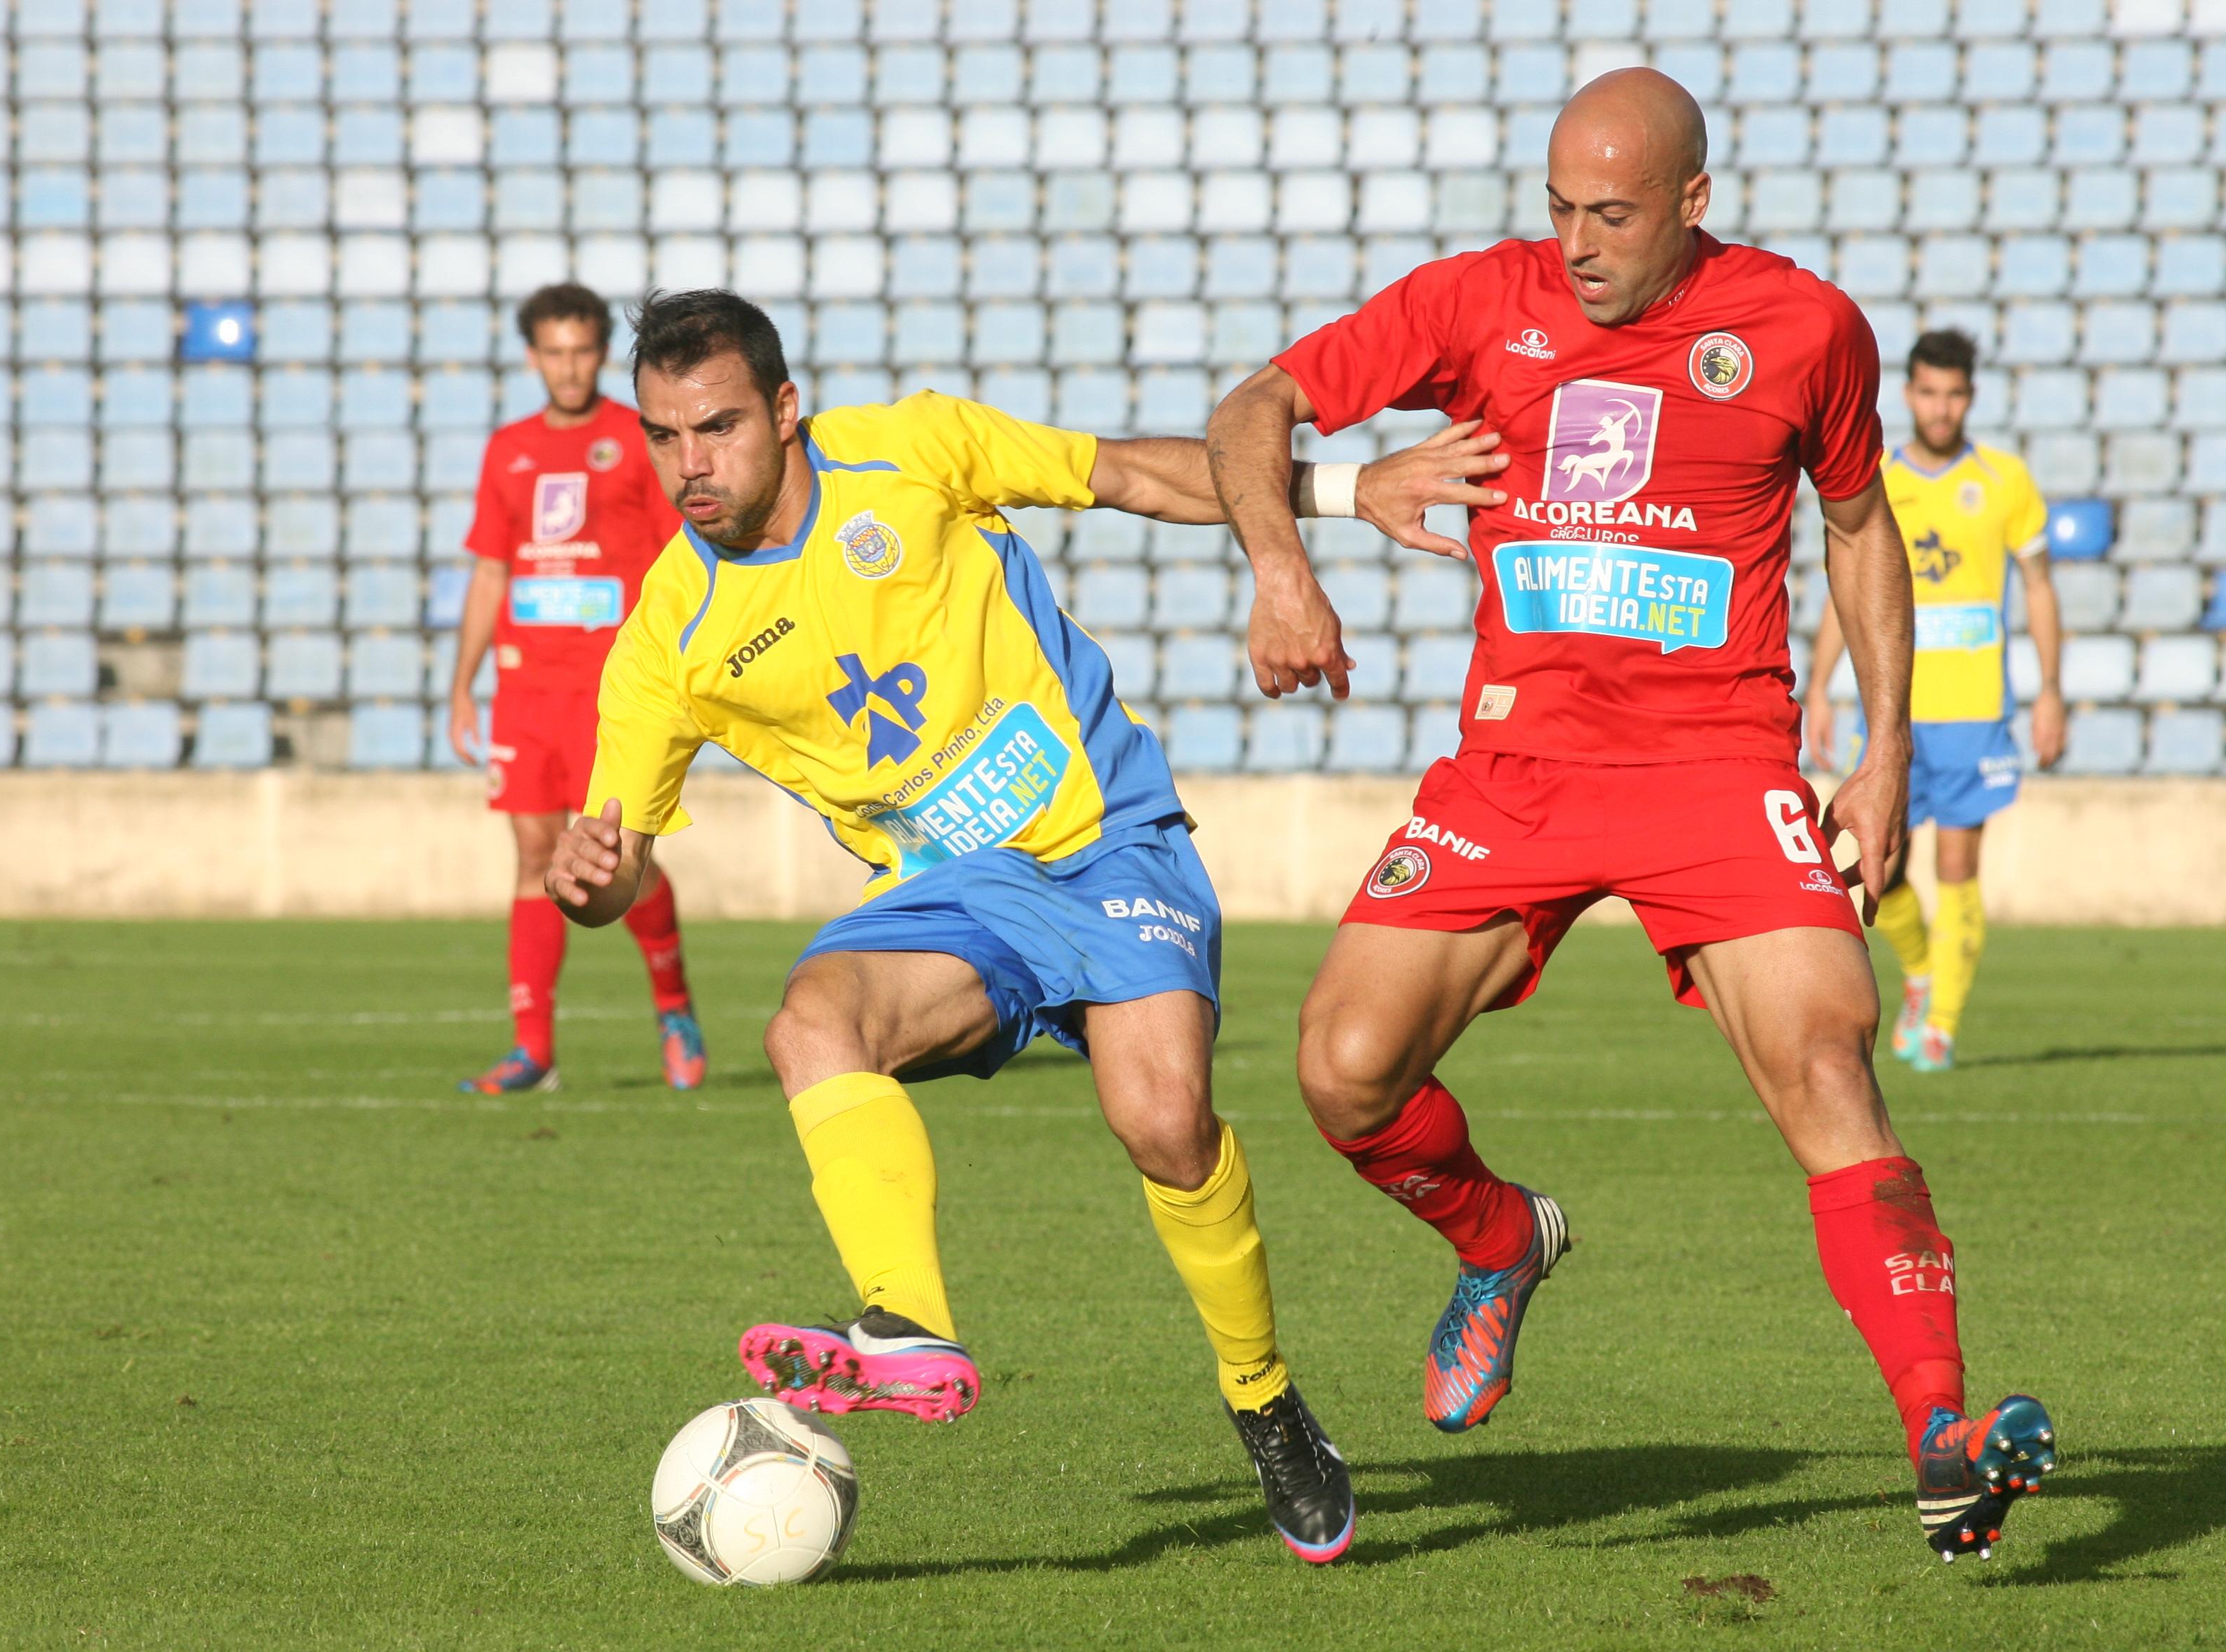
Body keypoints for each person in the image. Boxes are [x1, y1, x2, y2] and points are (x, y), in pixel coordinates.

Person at [1205, 69, 2053, 1563]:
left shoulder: (1805, 329)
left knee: (1828, 1054)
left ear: (1692, 204)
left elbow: (1858, 525)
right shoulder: (1483, 302)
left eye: (1611, 213)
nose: (1578, 241)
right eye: (1559, 208)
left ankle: (1941, 1431)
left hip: (1719, 765)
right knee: (1341, 1073)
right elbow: (1250, 408)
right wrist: (1286, 568)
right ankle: (1497, 1239)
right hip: (1518, 767)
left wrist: (1886, 755)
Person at [545, 288, 1357, 1562]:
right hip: (955, 899)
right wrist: (582, 875)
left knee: (1163, 1123)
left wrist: (1343, 496)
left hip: (1105, 839)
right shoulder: (669, 636)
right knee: (812, 1024)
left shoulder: (912, 449)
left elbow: (1130, 477)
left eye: (713, 428)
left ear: (784, 406)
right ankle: (907, 1320)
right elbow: (615, 870)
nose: (687, 466)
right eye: (661, 437)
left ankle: (1263, 1403)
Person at [450, 283, 706, 1095]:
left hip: (613, 689)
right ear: (534, 355)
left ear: (601, 352)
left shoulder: (638, 439)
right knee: (532, 853)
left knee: (618, 859)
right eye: (553, 351)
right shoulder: (508, 449)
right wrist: (463, 685)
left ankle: (674, 1007)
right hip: (526, 691)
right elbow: (492, 569)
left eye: (582, 350)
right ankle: (534, 1048)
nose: (568, 367)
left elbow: (680, 554)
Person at [1807, 330, 2065, 1074]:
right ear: (1909, 394)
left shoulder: (2005, 480)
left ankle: (1941, 1024)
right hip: (1892, 709)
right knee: (1879, 866)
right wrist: (1821, 686)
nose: (1941, 406)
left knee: (1959, 865)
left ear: (1970, 397)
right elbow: (1845, 587)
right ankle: (1920, 968)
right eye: (1927, 392)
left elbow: (2041, 587)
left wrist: (2050, 689)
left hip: (1975, 712)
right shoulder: (1877, 477)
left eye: (1954, 394)